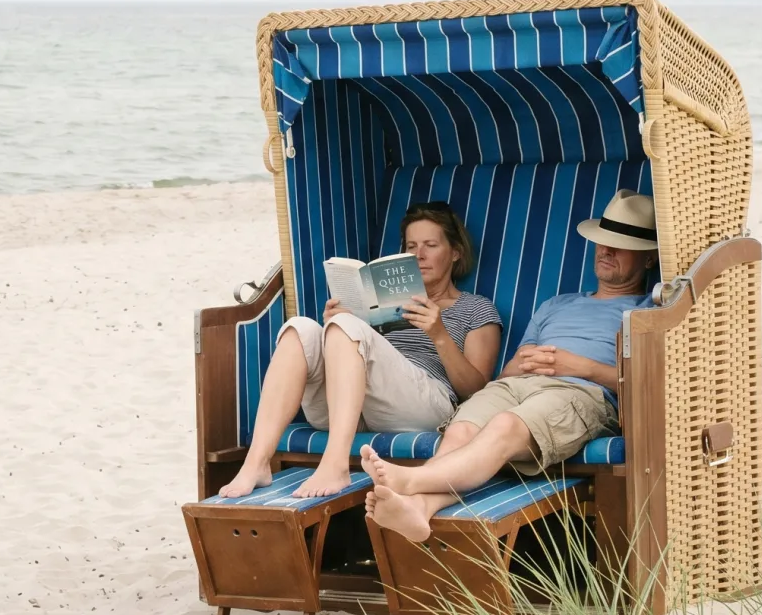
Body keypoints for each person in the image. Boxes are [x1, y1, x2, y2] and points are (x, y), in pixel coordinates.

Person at [363, 189, 660, 542]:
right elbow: (504, 376)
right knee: (462, 430)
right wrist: (518, 365)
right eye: (602, 242)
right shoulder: (556, 304)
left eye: (620, 245)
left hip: (580, 393)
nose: (606, 251)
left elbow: (652, 385)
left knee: (504, 425)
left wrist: (580, 366)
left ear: (648, 260)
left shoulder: (649, 313)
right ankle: (419, 507)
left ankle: (411, 481)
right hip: (516, 386)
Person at [219, 202, 502, 500]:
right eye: (411, 246)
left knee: (345, 327)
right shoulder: (377, 305)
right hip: (352, 405)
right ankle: (257, 463)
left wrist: (439, 334)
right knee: (298, 329)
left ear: (455, 252)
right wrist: (335, 326)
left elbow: (476, 390)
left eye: (430, 245)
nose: (419, 255)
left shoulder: (475, 308)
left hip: (423, 405)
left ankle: (335, 464)